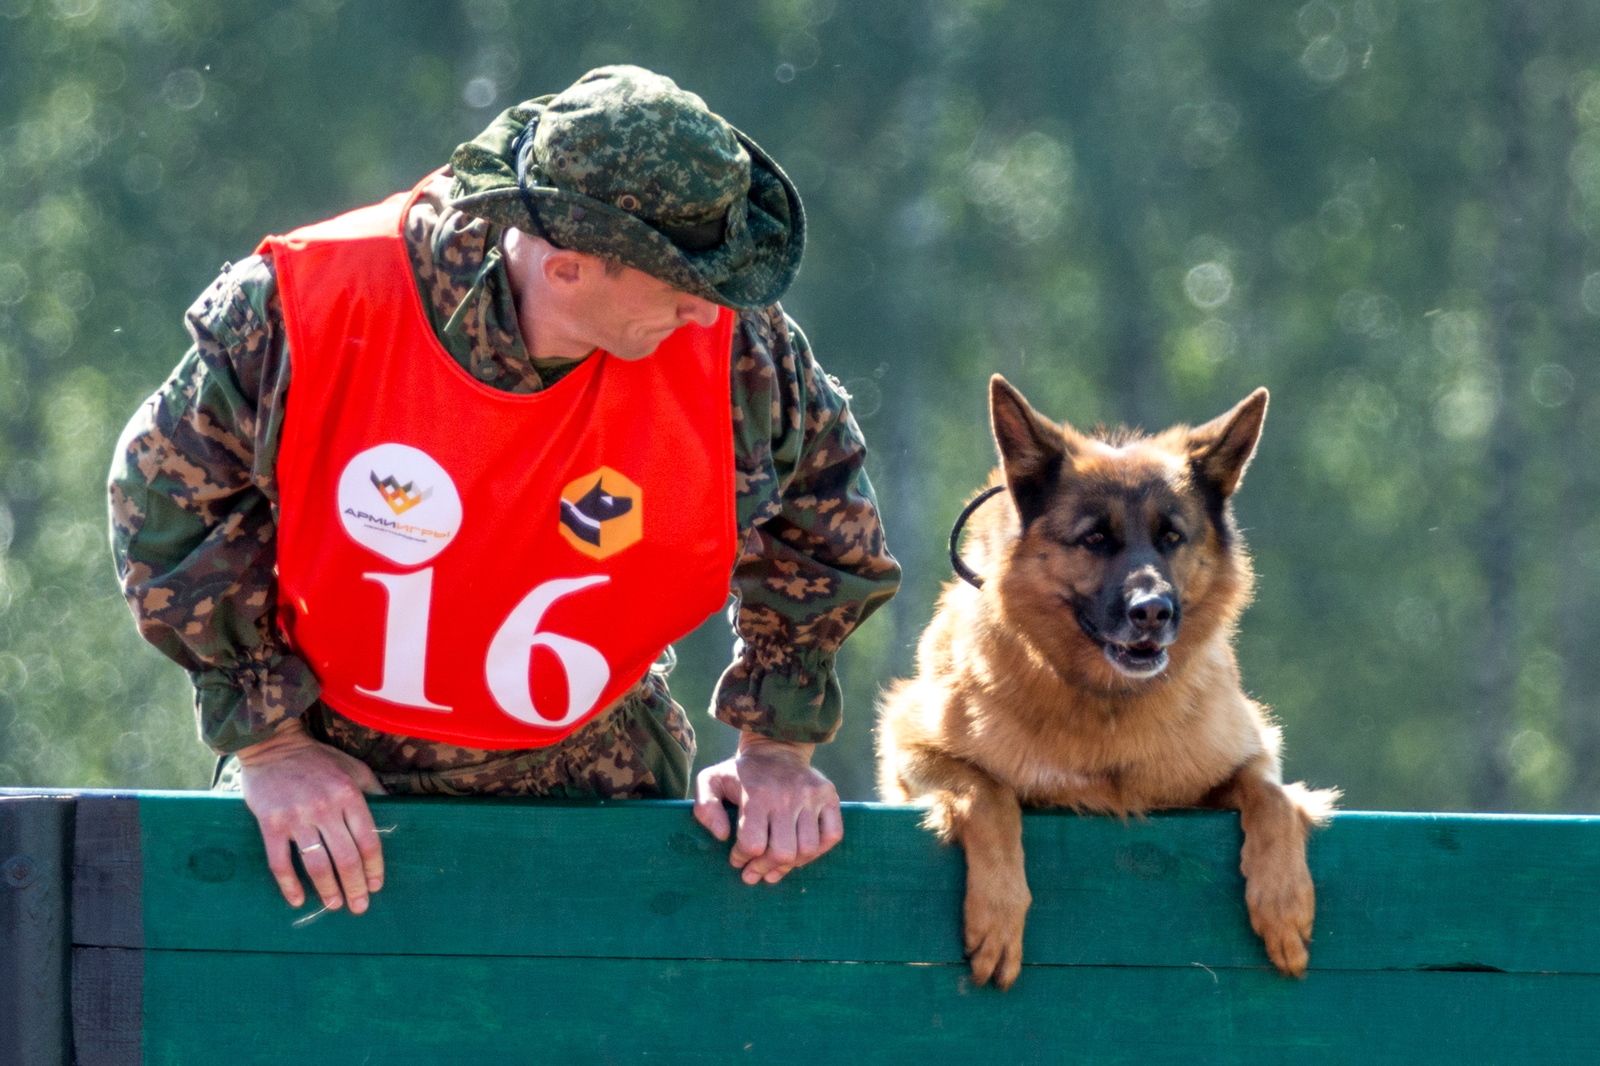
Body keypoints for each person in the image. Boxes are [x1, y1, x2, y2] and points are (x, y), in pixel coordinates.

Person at [108, 66, 899, 918]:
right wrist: (268, 742)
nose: (706, 316)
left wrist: (777, 747)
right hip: (331, 801)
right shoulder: (309, 307)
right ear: (567, 268)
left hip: (604, 793)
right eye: (681, 286)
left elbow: (824, 521)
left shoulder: (738, 344)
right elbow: (166, 504)